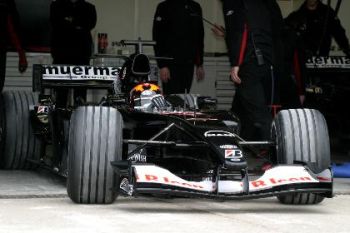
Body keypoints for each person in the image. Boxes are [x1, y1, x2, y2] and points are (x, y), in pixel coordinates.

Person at [222, 0, 286, 141]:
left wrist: (236, 63)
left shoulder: (233, 3)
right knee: (242, 107)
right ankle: (240, 144)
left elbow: (240, 31)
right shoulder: (263, 4)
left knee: (258, 111)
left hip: (251, 60)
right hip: (265, 58)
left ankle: (275, 152)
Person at [152, 0, 205, 96]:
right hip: (170, 64)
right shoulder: (163, 6)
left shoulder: (195, 6)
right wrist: (162, 65)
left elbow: (199, 36)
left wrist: (199, 64)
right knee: (171, 98)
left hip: (188, 63)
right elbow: (158, 37)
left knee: (184, 98)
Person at [50, 0, 97, 105]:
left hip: (81, 54)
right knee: (61, 92)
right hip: (61, 53)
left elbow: (90, 24)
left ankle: (79, 116)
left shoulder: (89, 8)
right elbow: (56, 23)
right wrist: (78, 25)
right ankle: (59, 117)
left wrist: (70, 21)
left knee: (80, 91)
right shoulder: (56, 5)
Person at [285, 0, 350, 57]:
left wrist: (347, 51)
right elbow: (283, 29)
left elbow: (339, 33)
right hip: (302, 61)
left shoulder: (327, 13)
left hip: (322, 59)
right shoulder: (297, 15)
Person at [0, 0, 27, 92]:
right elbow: (13, 30)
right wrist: (22, 56)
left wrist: (22, 56)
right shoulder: (6, 5)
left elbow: (13, 29)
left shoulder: (6, 6)